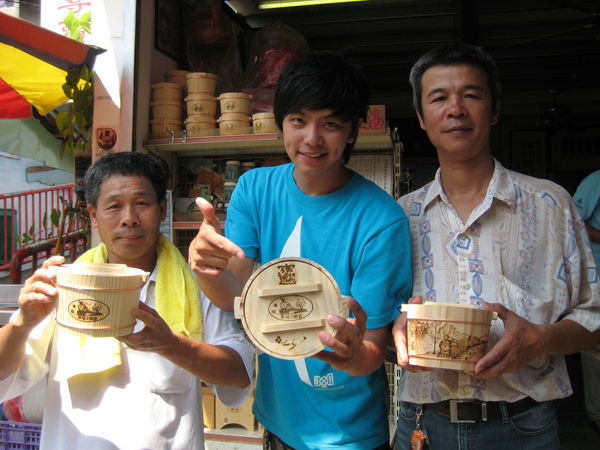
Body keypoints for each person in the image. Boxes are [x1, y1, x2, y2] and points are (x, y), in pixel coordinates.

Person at [189, 50, 412, 449]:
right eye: (298, 120)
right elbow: (233, 295)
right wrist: (206, 269)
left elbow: (374, 349)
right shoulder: (255, 190)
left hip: (350, 436)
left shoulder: (382, 220)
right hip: (276, 422)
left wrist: (352, 355)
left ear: (351, 131)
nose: (312, 139)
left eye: (330, 124)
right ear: (282, 123)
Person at [392, 42, 600, 449]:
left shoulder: (550, 203)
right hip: (423, 427)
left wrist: (542, 339)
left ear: (496, 109)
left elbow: (594, 313)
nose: (456, 109)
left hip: (524, 427)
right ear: (420, 117)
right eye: (439, 98)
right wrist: (393, 333)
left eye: (471, 94)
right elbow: (381, 316)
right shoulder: (401, 215)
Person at [0, 152, 255, 449]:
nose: (129, 218)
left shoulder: (195, 286)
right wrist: (21, 323)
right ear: (93, 215)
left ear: (162, 210)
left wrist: (169, 343)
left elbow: (238, 375)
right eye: (114, 206)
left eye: (142, 203)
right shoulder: (64, 287)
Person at [573, 169, 600, 433]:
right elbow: (575, 221)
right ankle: (597, 413)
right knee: (594, 342)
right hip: (597, 277)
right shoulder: (596, 181)